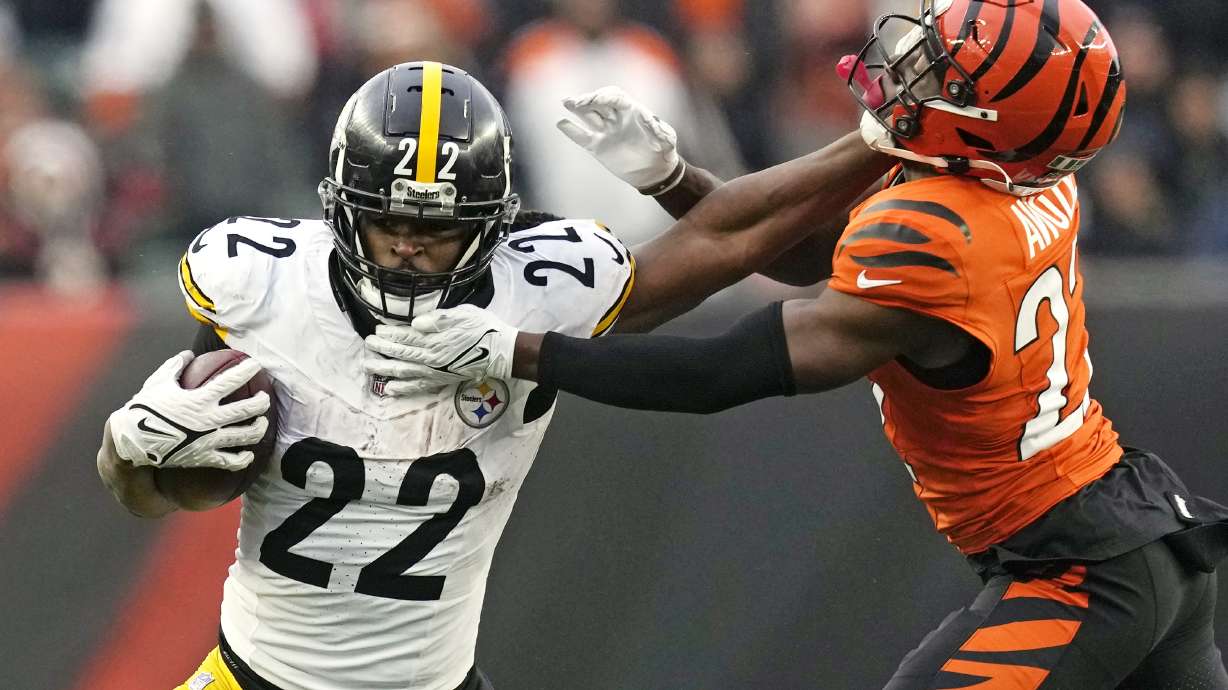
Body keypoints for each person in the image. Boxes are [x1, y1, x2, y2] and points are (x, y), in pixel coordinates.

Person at [367, 2, 1228, 687]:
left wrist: (521, 350)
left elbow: (722, 369)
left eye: (947, 71)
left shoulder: (940, 237)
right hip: (1136, 535)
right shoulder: (1017, 178)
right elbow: (812, 249)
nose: (914, 67)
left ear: (987, 121)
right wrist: (674, 181)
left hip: (1080, 573)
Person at [94, 61, 887, 690]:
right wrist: (127, 451)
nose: (406, 247)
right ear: (339, 208)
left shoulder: (538, 290)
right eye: (386, 221)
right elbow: (157, 492)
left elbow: (735, 242)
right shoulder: (259, 286)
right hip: (255, 674)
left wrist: (875, 139)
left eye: (434, 230)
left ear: (493, 226)